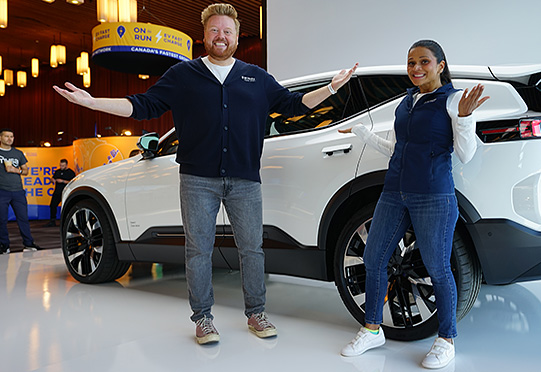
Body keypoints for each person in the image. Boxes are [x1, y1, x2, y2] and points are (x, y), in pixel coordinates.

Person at [53, 3, 357, 345]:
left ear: (238, 37)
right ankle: (203, 318)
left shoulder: (256, 77)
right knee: (198, 250)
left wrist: (331, 88)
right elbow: (142, 105)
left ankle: (256, 313)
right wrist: (94, 102)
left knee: (252, 249)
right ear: (204, 35)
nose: (221, 36)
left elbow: (294, 104)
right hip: (197, 180)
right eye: (215, 30)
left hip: (244, 179)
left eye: (227, 31)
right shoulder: (183, 76)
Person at [338, 40, 489, 369]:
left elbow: (466, 154)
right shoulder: (406, 102)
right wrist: (363, 133)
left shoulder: (453, 101)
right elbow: (396, 147)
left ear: (441, 65)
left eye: (424, 62)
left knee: (438, 268)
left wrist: (463, 118)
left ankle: (446, 339)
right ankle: (372, 328)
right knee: (373, 258)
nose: (416, 68)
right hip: (394, 192)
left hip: (433, 196)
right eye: (411, 63)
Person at [0, 128, 41, 254]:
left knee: (23, 218)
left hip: (18, 191)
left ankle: (28, 244)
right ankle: (4, 246)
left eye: (12, 136)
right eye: (7, 136)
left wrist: (15, 170)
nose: (10, 139)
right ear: (0, 138)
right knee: (1, 220)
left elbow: (26, 171)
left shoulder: (18, 153)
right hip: (2, 191)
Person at [43, 159, 76, 227]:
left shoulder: (71, 172)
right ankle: (52, 221)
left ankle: (70, 222)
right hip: (57, 192)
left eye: (63, 165)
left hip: (66, 192)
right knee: (52, 205)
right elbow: (52, 178)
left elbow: (73, 182)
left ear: (66, 165)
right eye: (60, 165)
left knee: (68, 207)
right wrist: (52, 180)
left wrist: (63, 181)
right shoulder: (57, 171)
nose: (61, 167)